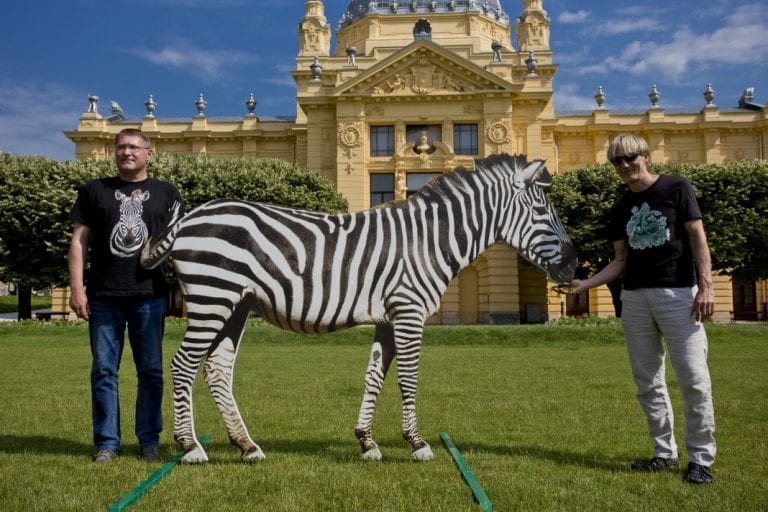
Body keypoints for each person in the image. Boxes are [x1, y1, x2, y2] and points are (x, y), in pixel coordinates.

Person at [571, 134, 716, 485]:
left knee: (693, 378)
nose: (623, 165)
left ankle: (700, 458)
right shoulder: (619, 209)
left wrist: (706, 285)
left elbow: (697, 236)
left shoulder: (676, 188)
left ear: (646, 156)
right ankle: (663, 453)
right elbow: (620, 260)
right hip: (635, 299)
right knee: (647, 381)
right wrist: (583, 285)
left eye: (629, 158)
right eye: (616, 161)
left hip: (679, 294)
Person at [68, 128, 184, 464]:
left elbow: (179, 245)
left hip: (150, 295)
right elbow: (78, 241)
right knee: (104, 371)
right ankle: (107, 443)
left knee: (151, 371)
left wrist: (184, 293)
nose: (126, 152)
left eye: (133, 147)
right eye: (120, 147)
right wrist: (77, 288)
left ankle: (149, 441)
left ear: (150, 152)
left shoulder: (167, 193)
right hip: (104, 296)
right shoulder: (95, 191)